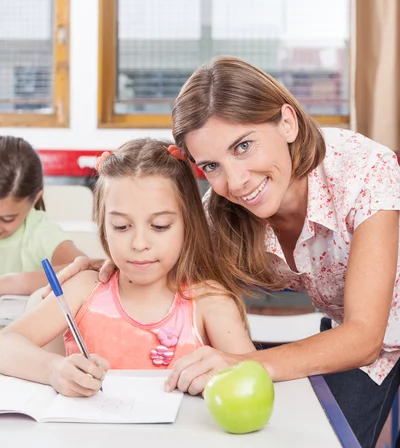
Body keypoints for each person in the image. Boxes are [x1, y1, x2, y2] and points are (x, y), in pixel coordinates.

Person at [53, 57, 400, 448]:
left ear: (287, 122)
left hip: (368, 336)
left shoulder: (365, 171)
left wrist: (244, 363)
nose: (235, 182)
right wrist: (118, 264)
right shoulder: (218, 215)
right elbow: (161, 251)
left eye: (244, 146)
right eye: (212, 166)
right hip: (354, 337)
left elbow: (365, 336)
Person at [0, 138, 254, 397]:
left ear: (188, 224)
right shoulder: (84, 290)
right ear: (103, 226)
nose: (139, 243)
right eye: (121, 226)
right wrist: (52, 369)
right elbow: (5, 344)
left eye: (160, 226)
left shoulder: (210, 302)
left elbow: (255, 376)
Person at [0, 136, 85, 296]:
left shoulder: (40, 232)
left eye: (7, 219)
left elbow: (87, 269)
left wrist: (8, 283)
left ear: (35, 199)